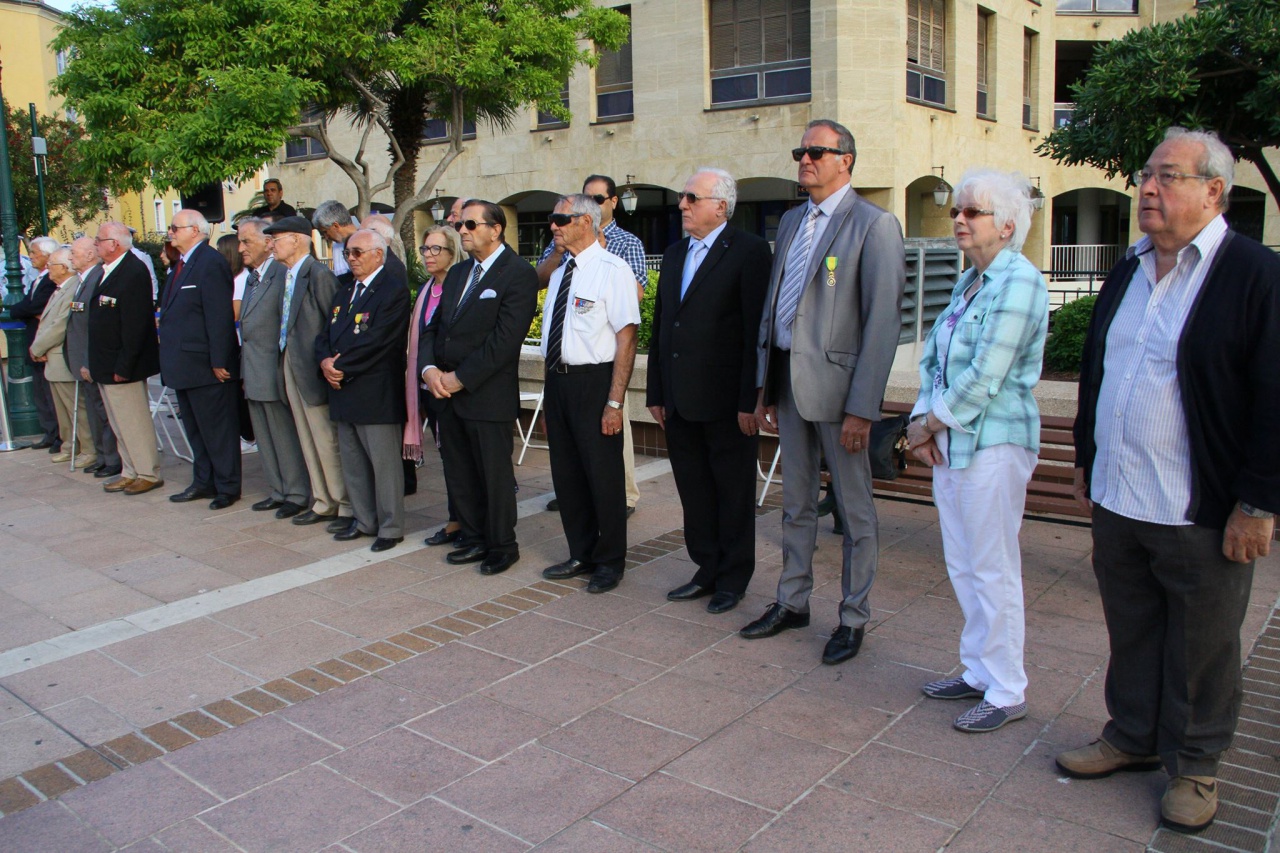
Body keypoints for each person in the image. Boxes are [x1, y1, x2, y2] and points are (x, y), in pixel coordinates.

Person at [1055, 128, 1280, 834]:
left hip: (1200, 506)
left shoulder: (1255, 274)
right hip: (1121, 495)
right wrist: (1087, 454)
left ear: (1215, 190)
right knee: (1133, 627)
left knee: (1203, 646)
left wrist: (1259, 501)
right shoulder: (1128, 268)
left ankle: (1196, 764)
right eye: (1146, 175)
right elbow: (1100, 370)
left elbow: (1275, 395)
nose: (1148, 189)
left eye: (1168, 176)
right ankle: (1132, 735)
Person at [744, 119, 906, 666]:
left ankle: (853, 618)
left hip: (841, 396)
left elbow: (882, 324)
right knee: (795, 505)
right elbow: (775, 307)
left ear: (846, 160)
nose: (805, 160)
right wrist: (765, 387)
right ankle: (792, 602)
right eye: (801, 151)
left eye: (817, 151)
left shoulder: (875, 225)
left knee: (855, 513)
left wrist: (863, 407)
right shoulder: (792, 220)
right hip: (789, 384)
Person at [904, 170, 1048, 733]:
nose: (959, 220)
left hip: (994, 443)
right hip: (951, 442)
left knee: (992, 567)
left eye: (972, 212)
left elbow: (988, 375)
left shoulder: (1019, 281)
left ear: (1007, 225)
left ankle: (1007, 689)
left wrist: (926, 425)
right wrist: (922, 421)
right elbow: (934, 363)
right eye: (957, 211)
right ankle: (979, 670)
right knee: (963, 563)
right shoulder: (971, 281)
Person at [646, 168, 771, 614]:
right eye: (683, 197)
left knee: (732, 494)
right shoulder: (675, 253)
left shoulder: (749, 251)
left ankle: (733, 579)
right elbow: (664, 326)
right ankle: (706, 568)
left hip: (726, 403)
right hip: (679, 401)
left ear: (721, 206)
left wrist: (750, 400)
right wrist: (656, 391)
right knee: (694, 493)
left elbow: (756, 332)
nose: (682, 204)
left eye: (691, 197)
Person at [418, 200, 538, 575]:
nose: (463, 231)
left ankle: (502, 545)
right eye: (460, 225)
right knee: (459, 471)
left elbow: (504, 341)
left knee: (493, 476)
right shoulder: (458, 273)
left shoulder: (518, 274)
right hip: (446, 395)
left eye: (471, 224)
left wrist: (459, 378)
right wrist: (429, 370)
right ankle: (472, 537)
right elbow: (433, 328)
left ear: (495, 229)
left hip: (486, 396)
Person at [537, 195, 641, 593]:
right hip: (559, 382)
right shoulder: (561, 272)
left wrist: (614, 402)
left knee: (604, 477)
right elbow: (556, 338)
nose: (553, 225)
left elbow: (626, 339)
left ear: (585, 221)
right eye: (552, 218)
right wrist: (549, 397)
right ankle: (581, 552)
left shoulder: (613, 269)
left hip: (595, 383)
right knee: (567, 476)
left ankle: (610, 562)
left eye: (560, 218)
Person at [318, 229, 411, 552]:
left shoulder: (393, 290)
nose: (351, 258)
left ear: (378, 255)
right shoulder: (344, 290)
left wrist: (340, 366)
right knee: (354, 463)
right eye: (348, 253)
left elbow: (380, 340)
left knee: (384, 466)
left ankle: (390, 526)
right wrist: (324, 361)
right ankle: (363, 520)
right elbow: (324, 334)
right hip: (342, 389)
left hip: (374, 390)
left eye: (357, 252)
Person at [264, 216, 352, 530]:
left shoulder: (318, 274)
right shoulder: (287, 275)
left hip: (314, 368)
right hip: (291, 362)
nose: (271, 245)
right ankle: (322, 500)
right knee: (306, 436)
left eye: (276, 239)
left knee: (326, 439)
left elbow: (334, 324)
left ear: (298, 239)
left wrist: (329, 364)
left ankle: (344, 504)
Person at [160, 209, 242, 510]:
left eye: (175, 227)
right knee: (195, 429)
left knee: (217, 430)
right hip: (184, 365)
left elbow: (219, 316)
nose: (170, 232)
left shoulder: (210, 262)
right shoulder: (181, 264)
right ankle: (204, 480)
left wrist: (220, 360)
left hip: (206, 365)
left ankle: (227, 486)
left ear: (195, 230)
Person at [237, 218, 309, 519]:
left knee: (283, 435)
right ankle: (278, 490)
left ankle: (296, 492)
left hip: (273, 369)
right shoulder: (253, 277)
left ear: (268, 243)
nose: (240, 248)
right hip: (253, 368)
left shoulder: (280, 274)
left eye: (246, 242)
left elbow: (288, 325)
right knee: (265, 436)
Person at [87, 222, 163, 495]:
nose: (95, 244)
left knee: (133, 421)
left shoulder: (132, 271)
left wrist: (125, 365)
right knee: (119, 423)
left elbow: (135, 325)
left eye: (99, 240)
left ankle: (147, 472)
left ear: (114, 244)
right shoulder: (108, 270)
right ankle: (130, 470)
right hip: (106, 362)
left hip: (122, 364)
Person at [410, 225, 466, 547]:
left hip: (455, 386)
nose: (428, 256)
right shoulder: (425, 290)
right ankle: (456, 518)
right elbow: (423, 338)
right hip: (428, 385)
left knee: (461, 458)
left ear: (452, 251)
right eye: (425, 249)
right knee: (447, 456)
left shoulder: (461, 287)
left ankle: (465, 520)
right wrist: (427, 372)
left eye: (436, 249)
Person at [29, 247, 95, 469]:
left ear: (64, 268)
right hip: (52, 358)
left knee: (76, 408)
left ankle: (88, 449)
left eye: (52, 265)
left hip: (62, 356)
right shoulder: (60, 289)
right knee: (62, 409)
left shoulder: (73, 287)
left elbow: (60, 325)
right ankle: (70, 446)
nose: (48, 268)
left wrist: (38, 347)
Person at [65, 236, 121, 478]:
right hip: (83, 358)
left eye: (74, 253)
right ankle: (101, 456)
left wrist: (88, 361)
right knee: (93, 410)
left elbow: (93, 325)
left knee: (103, 411)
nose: (70, 257)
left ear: (89, 255)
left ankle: (112, 459)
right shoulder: (83, 280)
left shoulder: (97, 277)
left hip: (92, 359)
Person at [10, 236, 62, 450]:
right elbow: (24, 307)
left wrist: (29, 311)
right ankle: (50, 433)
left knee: (51, 395)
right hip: (34, 342)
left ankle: (60, 436)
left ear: (48, 256)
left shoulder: (51, 281)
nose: (30, 256)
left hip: (46, 345)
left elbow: (37, 307)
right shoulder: (38, 279)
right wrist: (26, 311)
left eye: (34, 253)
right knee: (40, 393)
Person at [313, 200, 356, 277]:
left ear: (335, 226)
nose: (326, 237)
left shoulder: (365, 242)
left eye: (325, 232)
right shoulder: (336, 245)